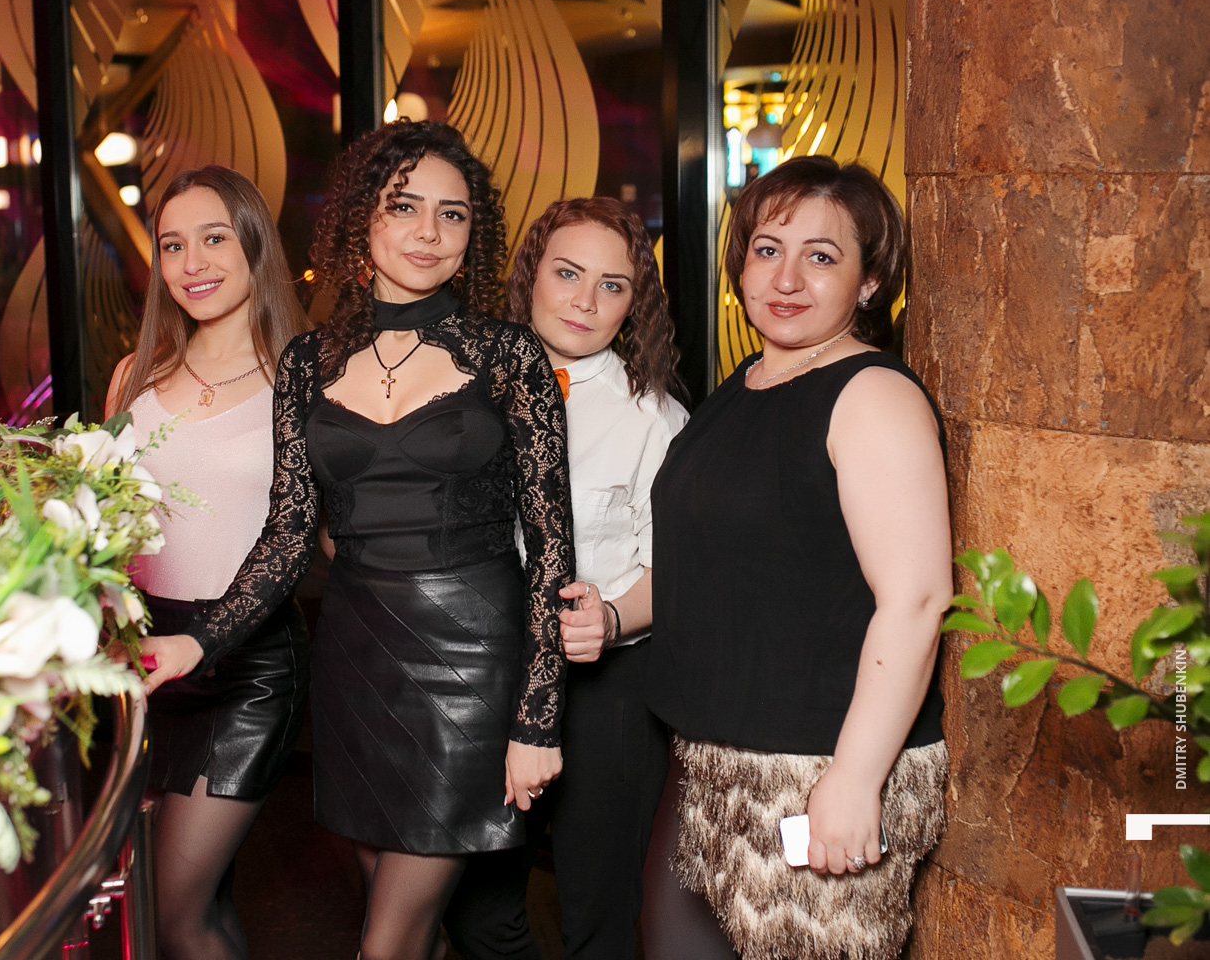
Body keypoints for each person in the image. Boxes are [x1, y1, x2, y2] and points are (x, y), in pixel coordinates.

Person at [135, 120, 575, 960]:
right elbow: (288, 533)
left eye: (451, 215)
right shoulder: (306, 364)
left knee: (387, 943)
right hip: (355, 664)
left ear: (473, 235)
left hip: (472, 667)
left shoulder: (508, 355)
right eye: (404, 207)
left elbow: (552, 545)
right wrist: (199, 641)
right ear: (359, 221)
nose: (428, 232)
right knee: (406, 924)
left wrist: (538, 720)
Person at [641, 155, 950, 960]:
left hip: (814, 766)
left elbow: (916, 599)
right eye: (768, 249)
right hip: (706, 759)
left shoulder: (872, 395)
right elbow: (710, 565)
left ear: (869, 281)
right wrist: (609, 615)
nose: (786, 278)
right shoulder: (745, 385)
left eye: (821, 256)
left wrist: (855, 779)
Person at [444, 198, 689, 959]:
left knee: (598, 917)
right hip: (482, 676)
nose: (585, 300)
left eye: (612, 285)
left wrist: (611, 618)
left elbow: (675, 566)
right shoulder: (455, 388)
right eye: (568, 273)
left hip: (607, 691)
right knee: (474, 912)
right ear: (531, 276)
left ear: (634, 304)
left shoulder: (653, 418)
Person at [104, 165, 312, 960]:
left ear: (254, 244)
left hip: (248, 664)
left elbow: (311, 533)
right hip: (147, 661)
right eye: (172, 245)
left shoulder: (301, 378)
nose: (191, 263)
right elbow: (108, 525)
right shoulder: (134, 377)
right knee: (201, 906)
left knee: (172, 912)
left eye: (214, 238)